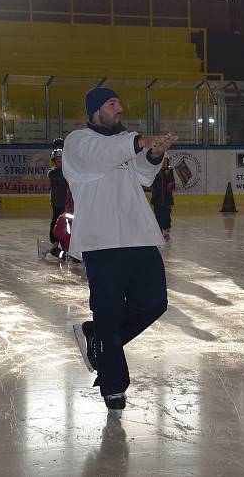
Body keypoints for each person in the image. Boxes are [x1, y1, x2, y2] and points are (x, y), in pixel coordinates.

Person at [63, 86, 177, 413]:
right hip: (102, 242)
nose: (120, 108)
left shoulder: (121, 142)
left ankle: (98, 339)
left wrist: (153, 155)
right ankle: (113, 385)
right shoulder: (78, 142)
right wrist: (140, 141)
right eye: (113, 103)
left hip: (139, 236)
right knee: (109, 315)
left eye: (119, 102)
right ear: (95, 109)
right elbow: (104, 155)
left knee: (154, 303)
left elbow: (141, 176)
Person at [40, 148, 67, 258]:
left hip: (69, 204)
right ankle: (54, 243)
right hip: (58, 204)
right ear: (54, 162)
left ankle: (68, 244)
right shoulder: (53, 173)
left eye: (63, 161)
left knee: (69, 224)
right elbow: (61, 178)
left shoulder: (68, 171)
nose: (61, 163)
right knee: (56, 222)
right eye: (58, 161)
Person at [151, 157, 175, 242]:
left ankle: (166, 233)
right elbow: (153, 184)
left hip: (167, 199)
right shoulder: (156, 171)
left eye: (166, 162)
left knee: (166, 216)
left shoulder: (170, 171)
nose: (164, 163)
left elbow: (172, 185)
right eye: (163, 162)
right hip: (157, 199)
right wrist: (159, 174)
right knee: (158, 216)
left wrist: (167, 175)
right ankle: (159, 233)